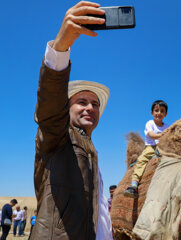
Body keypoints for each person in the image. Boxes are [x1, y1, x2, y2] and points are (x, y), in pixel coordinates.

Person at [31, 2, 113, 239]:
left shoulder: (90, 148)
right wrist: (61, 46)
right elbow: (49, 105)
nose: (90, 107)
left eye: (95, 104)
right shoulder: (57, 136)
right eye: (82, 102)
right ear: (65, 109)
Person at [124, 100, 169, 198]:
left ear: (165, 114)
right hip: (151, 147)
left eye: (162, 111)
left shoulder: (167, 127)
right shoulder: (150, 123)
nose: (159, 113)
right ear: (152, 113)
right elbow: (151, 135)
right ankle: (134, 185)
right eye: (156, 110)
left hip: (163, 148)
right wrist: (161, 134)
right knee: (141, 161)